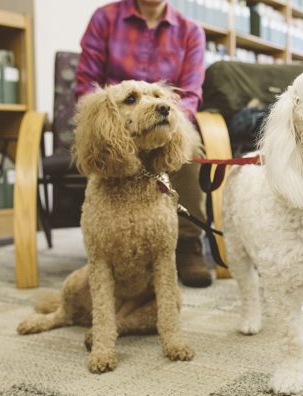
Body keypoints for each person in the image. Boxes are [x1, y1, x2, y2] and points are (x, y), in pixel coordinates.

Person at [75, 0, 212, 288]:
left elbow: (189, 94)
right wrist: (111, 119)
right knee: (106, 145)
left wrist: (167, 124)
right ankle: (108, 243)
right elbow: (87, 85)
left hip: (168, 120)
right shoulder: (105, 18)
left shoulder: (191, 31)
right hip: (114, 121)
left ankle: (188, 244)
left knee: (190, 151)